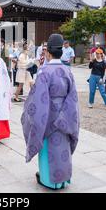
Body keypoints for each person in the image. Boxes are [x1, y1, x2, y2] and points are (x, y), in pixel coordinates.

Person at [22, 34, 79, 191]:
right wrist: (64, 116)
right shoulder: (68, 71)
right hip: (66, 116)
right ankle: (63, 180)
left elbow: (38, 101)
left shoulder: (44, 71)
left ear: (47, 52)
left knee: (48, 148)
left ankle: (49, 181)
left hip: (47, 116)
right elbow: (73, 98)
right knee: (63, 148)